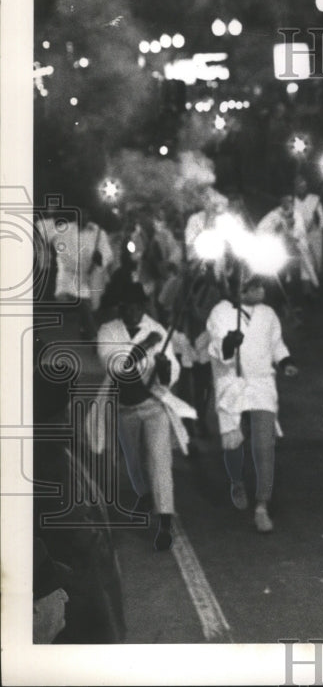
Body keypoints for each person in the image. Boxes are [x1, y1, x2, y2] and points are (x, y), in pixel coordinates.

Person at [206, 273, 298, 533]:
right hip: (231, 383)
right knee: (234, 444)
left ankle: (262, 506)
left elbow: (277, 344)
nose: (261, 289)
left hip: (261, 384)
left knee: (263, 443)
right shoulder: (221, 313)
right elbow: (216, 347)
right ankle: (236, 480)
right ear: (239, 288)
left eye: (261, 284)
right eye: (254, 285)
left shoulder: (268, 314)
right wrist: (228, 344)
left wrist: (286, 362)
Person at [96, 282, 181, 551]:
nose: (132, 311)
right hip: (122, 406)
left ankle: (165, 522)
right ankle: (144, 494)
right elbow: (117, 367)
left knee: (159, 460)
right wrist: (144, 346)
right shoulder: (108, 331)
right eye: (126, 306)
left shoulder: (157, 330)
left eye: (136, 306)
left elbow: (171, 375)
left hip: (152, 405)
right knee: (133, 459)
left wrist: (166, 370)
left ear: (144, 306)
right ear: (119, 307)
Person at [36, 205, 115, 339]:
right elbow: (45, 231)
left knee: (91, 305)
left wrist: (100, 258)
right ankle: (94, 336)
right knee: (82, 302)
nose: (83, 218)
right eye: (80, 214)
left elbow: (107, 252)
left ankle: (85, 328)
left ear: (90, 216)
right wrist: (50, 214)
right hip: (68, 276)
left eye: (86, 215)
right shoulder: (66, 229)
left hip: (91, 275)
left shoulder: (98, 232)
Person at [258, 194, 320, 302]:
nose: (288, 202)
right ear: (281, 201)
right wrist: (278, 232)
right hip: (279, 251)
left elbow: (300, 232)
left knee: (295, 278)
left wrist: (294, 238)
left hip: (293, 251)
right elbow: (261, 229)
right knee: (278, 279)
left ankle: (295, 304)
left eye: (290, 200)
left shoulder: (296, 214)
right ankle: (277, 303)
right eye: (285, 200)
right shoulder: (274, 214)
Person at [293, 175, 323, 295]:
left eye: (303, 184)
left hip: (315, 235)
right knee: (305, 263)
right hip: (300, 236)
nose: (300, 187)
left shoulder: (314, 198)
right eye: (297, 185)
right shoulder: (292, 202)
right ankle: (307, 292)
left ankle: (317, 287)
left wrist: (318, 230)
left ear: (306, 185)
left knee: (317, 262)